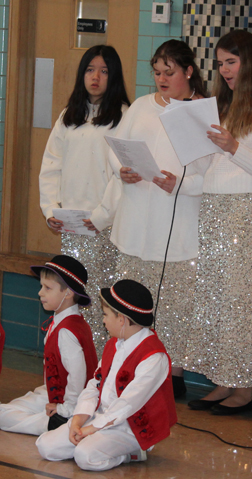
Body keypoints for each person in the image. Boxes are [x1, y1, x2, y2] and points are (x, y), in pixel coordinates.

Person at [184, 29, 252, 415]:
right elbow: (212, 167)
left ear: (250, 61)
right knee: (218, 296)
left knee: (242, 300)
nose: (225, 70)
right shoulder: (225, 105)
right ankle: (224, 381)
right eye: (220, 63)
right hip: (215, 209)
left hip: (249, 211)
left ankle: (244, 389)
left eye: (231, 61)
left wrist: (232, 146)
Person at [108, 40, 210, 398]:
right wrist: (122, 170)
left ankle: (173, 372)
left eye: (170, 72)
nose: (162, 79)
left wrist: (180, 183)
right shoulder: (140, 106)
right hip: (137, 218)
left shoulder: (201, 113)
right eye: (157, 73)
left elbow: (210, 174)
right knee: (132, 293)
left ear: (188, 72)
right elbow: (116, 148)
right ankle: (128, 363)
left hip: (177, 220)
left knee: (172, 302)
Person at [39, 45, 130, 357]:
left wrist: (103, 216)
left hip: (104, 226)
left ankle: (101, 367)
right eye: (90, 69)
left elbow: (122, 176)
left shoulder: (123, 117)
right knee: (75, 297)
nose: (96, 77)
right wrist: (52, 209)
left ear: (113, 76)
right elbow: (52, 165)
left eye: (104, 71)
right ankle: (74, 365)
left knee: (101, 297)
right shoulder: (69, 116)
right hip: (73, 225)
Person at [36, 279, 177, 471]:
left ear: (122, 320)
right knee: (46, 446)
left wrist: (91, 429)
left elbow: (127, 404)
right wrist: (79, 419)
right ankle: (96, 444)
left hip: (131, 426)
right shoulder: (114, 343)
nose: (102, 320)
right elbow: (95, 384)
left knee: (85, 456)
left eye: (105, 314)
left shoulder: (154, 357)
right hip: (100, 417)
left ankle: (131, 452)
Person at [0, 255, 98, 435]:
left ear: (68, 293)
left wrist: (65, 410)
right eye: (41, 286)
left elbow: (77, 377)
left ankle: (61, 424)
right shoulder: (67, 321)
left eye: (47, 288)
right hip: (53, 394)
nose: (40, 293)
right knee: (6, 410)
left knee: (3, 416)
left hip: (70, 403)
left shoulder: (67, 331)